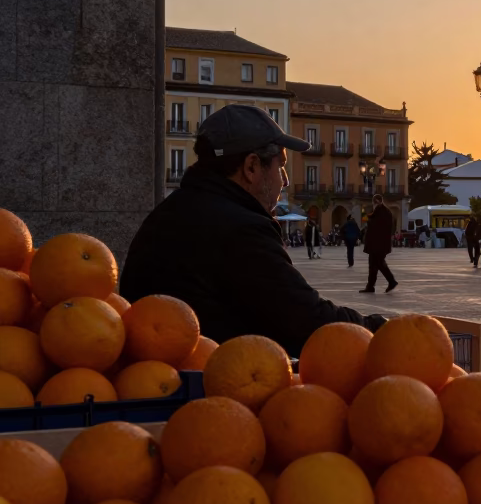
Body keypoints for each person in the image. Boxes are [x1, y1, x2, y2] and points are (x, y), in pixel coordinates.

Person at [119, 105, 386, 357]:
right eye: (280, 166)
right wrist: (377, 328)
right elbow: (306, 322)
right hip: (219, 383)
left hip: (161, 374)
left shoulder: (171, 211)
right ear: (251, 167)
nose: (286, 180)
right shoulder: (240, 228)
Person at [360, 194, 398, 293]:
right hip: (380, 244)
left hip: (377, 245)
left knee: (378, 264)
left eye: (373, 203)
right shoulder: (385, 212)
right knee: (374, 265)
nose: (373, 205)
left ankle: (391, 281)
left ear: (376, 201)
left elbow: (372, 224)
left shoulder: (380, 212)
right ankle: (370, 287)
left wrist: (363, 213)